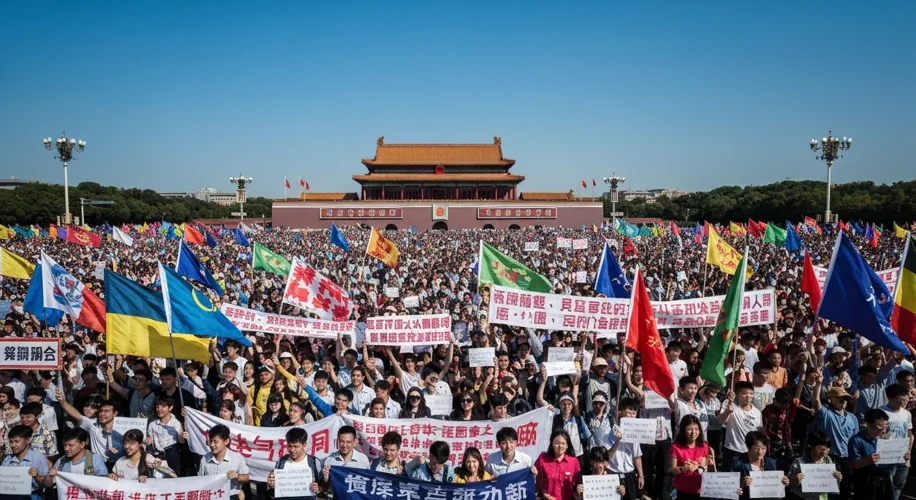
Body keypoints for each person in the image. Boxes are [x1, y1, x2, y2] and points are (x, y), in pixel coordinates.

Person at [811, 373, 857, 499]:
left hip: (848, 459)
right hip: (830, 458)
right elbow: (815, 401)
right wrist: (819, 384)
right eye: (839, 399)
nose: (843, 401)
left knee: (845, 491)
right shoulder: (826, 415)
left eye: (845, 399)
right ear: (831, 399)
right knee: (829, 492)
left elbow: (855, 440)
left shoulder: (852, 418)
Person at [56, 390, 124, 470]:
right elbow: (75, 414)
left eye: (106, 411)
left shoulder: (122, 427)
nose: (102, 414)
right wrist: (62, 401)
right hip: (97, 463)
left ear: (115, 413)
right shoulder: (92, 424)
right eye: (101, 411)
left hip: (118, 464)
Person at [849, 408, 894, 499]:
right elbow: (854, 464)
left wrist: (901, 456)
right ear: (868, 424)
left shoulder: (887, 438)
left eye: (886, 427)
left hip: (885, 478)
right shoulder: (856, 440)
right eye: (880, 427)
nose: (884, 431)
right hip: (866, 480)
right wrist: (867, 460)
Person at [728, 431, 788, 500]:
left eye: (763, 448)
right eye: (756, 448)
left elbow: (776, 486)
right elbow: (730, 488)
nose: (760, 452)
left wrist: (783, 481)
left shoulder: (771, 463)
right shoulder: (737, 463)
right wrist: (742, 484)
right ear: (748, 447)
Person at [878, 383, 913, 500]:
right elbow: (878, 434)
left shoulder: (906, 414)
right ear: (891, 397)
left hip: (903, 456)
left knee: (898, 485)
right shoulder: (881, 412)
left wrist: (908, 450)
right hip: (886, 457)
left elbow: (909, 434)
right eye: (901, 398)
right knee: (885, 485)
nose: (905, 401)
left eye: (906, 397)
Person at [199, 424, 250, 500]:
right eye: (210, 441)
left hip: (231, 496)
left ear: (226, 441)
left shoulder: (237, 458)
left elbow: (246, 478)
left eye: (216, 442)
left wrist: (237, 476)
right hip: (211, 496)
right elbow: (200, 481)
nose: (212, 445)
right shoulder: (205, 459)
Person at [266, 428, 321, 500]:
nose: (292, 450)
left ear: (304, 445)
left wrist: (318, 487)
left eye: (296, 446)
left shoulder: (314, 462)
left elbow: (322, 486)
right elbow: (275, 487)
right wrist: (272, 484)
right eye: (289, 446)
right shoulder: (281, 462)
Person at [718, 381, 763, 469]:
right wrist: (728, 411)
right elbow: (720, 421)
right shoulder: (729, 405)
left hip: (750, 452)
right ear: (737, 394)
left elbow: (760, 432)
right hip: (732, 450)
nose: (748, 396)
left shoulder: (757, 412)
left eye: (751, 393)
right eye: (745, 393)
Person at [787, 431, 842, 500]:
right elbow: (788, 484)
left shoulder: (828, 460)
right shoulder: (799, 462)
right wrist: (795, 480)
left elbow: (831, 483)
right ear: (810, 445)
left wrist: (837, 479)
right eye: (821, 449)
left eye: (827, 449)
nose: (824, 452)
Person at [43, 428, 108, 485]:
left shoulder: (93, 459)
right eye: (65, 445)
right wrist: (50, 476)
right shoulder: (62, 461)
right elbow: (47, 484)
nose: (66, 449)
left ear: (82, 444)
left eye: (71, 445)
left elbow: (102, 483)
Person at [1, 425, 51, 500]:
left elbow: (47, 484)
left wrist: (37, 476)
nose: (13, 445)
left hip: (31, 496)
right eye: (11, 442)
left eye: (17, 441)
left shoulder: (38, 458)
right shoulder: (7, 460)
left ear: (28, 440)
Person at [669, 414, 708, 500]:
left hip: (699, 489)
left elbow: (704, 468)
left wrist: (698, 467)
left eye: (696, 429)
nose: (694, 432)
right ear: (683, 430)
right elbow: (673, 470)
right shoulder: (675, 447)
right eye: (689, 429)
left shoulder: (704, 446)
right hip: (682, 490)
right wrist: (684, 468)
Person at [534, 429, 581, 500]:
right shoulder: (542, 459)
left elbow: (579, 484)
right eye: (557, 443)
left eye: (563, 443)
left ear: (567, 446)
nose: (560, 446)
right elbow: (535, 482)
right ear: (552, 443)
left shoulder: (574, 462)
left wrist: (579, 488)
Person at [110, 429, 175, 481]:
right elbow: (113, 481)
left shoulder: (148, 458)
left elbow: (173, 476)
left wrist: (159, 466)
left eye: (132, 443)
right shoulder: (121, 461)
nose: (127, 446)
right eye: (125, 443)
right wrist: (112, 476)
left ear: (140, 444)